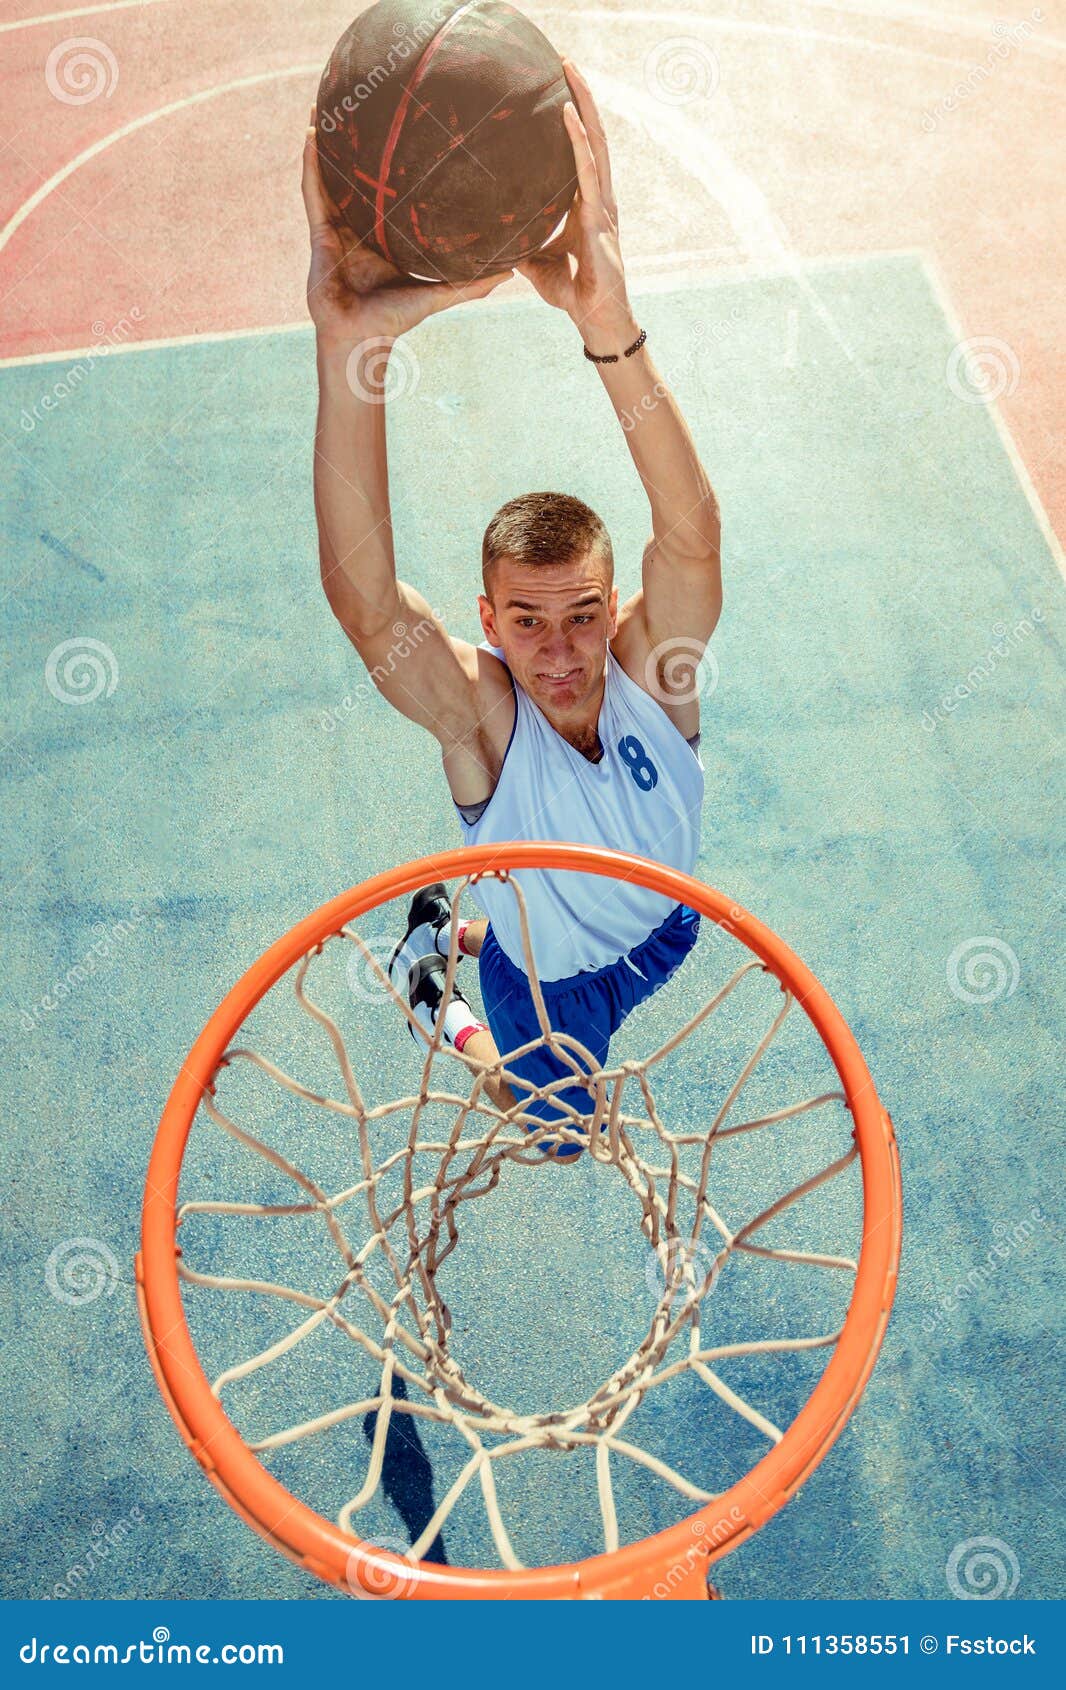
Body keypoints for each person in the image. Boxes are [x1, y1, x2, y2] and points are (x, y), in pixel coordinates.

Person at [304, 61, 721, 1150]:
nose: (562, 649)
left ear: (615, 602)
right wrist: (352, 349)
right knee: (555, 1137)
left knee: (618, 956)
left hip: (666, 927)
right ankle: (438, 991)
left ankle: (464, 932)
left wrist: (609, 323)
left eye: (582, 612)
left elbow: (691, 534)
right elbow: (366, 608)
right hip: (554, 987)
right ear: (486, 623)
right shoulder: (484, 726)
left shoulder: (652, 674)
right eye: (526, 622)